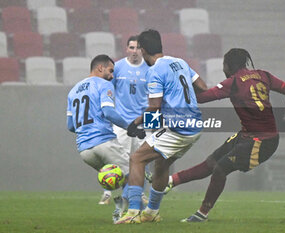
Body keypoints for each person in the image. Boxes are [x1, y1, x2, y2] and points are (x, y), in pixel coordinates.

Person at [165, 48, 285, 222]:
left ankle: (202, 213)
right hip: (249, 136)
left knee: (220, 168)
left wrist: (184, 85)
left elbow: (202, 98)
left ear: (228, 66)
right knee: (211, 162)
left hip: (262, 142)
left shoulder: (234, 82)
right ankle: (169, 182)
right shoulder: (263, 76)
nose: (223, 69)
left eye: (224, 65)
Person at [115, 29, 208, 224]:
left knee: (137, 159)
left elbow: (155, 107)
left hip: (178, 129)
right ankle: (152, 212)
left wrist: (137, 123)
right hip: (195, 126)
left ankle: (133, 213)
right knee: (161, 163)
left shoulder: (154, 71)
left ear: (143, 49)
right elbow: (202, 86)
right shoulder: (180, 62)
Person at [66, 54, 139, 211]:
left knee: (119, 177)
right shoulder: (103, 84)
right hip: (104, 142)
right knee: (134, 174)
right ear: (100, 68)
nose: (112, 76)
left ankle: (123, 203)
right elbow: (109, 113)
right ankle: (126, 211)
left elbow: (70, 126)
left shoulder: (73, 92)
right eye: (110, 71)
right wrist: (130, 127)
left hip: (85, 150)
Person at [99, 35, 150, 206]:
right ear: (127, 49)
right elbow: (107, 90)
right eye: (131, 48)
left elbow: (155, 97)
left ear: (142, 50)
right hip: (122, 123)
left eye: (137, 48)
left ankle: (138, 194)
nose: (134, 52)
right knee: (118, 158)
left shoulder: (150, 69)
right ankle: (107, 191)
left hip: (143, 122)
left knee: (141, 160)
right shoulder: (118, 67)